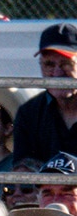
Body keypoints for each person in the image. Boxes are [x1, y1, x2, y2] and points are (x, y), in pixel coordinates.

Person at [12, 23, 77, 168]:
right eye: (49, 64)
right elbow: (23, 173)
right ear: (40, 66)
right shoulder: (28, 114)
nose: (57, 72)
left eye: (66, 63)